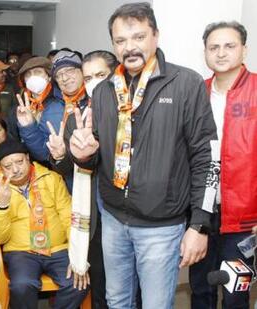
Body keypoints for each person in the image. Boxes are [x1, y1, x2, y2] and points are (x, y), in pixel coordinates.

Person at [67, 3, 216, 308]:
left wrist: (199, 225)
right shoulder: (104, 91)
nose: (130, 47)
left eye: (138, 37)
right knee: (116, 300)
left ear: (155, 36)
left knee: (156, 305)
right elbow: (100, 155)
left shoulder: (186, 84)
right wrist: (84, 156)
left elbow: (205, 158)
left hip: (161, 225)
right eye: (121, 41)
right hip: (113, 218)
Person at [189, 21, 257, 309]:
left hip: (245, 219)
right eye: (213, 47)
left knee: (235, 294)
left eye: (229, 46)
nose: (221, 53)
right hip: (202, 214)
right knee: (200, 289)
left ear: (244, 49)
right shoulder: (196, 93)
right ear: (204, 52)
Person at [0, 140, 88, 309]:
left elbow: (68, 217)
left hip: (58, 248)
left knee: (78, 282)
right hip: (21, 252)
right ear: (0, 168)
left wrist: (78, 254)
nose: (15, 169)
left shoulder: (51, 179)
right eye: (8, 166)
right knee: (21, 286)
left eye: (20, 162)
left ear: (28, 158)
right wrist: (0, 206)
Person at [48, 49, 119, 309]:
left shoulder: (132, 111)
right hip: (95, 213)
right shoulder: (77, 117)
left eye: (100, 75)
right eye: (89, 78)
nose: (94, 83)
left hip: (130, 212)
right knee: (101, 282)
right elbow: (71, 168)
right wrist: (59, 156)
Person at [18, 51, 88, 164]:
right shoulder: (23, 107)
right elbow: (46, 152)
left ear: (49, 77)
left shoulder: (59, 102)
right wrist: (28, 126)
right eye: (28, 75)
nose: (33, 78)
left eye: (37, 72)